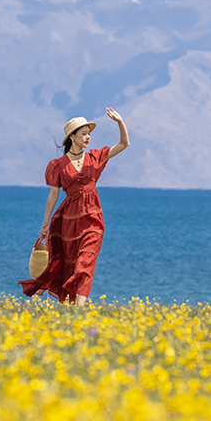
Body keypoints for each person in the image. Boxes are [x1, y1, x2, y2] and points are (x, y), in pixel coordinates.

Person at [19, 109, 129, 305]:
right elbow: (53, 194)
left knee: (86, 261)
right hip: (68, 220)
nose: (88, 137)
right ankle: (71, 308)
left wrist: (120, 122)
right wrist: (45, 225)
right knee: (69, 263)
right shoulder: (58, 165)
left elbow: (123, 144)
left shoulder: (96, 157)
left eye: (89, 133)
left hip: (93, 219)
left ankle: (80, 308)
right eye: (84, 133)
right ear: (72, 136)